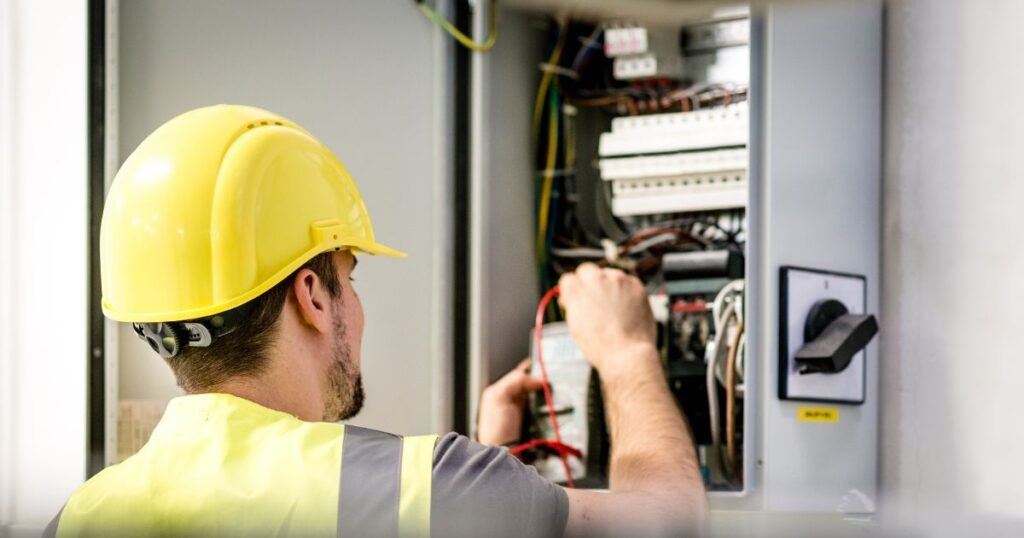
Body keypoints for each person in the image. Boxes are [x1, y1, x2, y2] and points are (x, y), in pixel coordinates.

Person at [44, 105, 706, 537]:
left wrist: (494, 463)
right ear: (312, 294)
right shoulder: (433, 488)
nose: (355, 308)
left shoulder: (76, 518)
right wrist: (626, 355)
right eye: (349, 279)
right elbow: (673, 525)